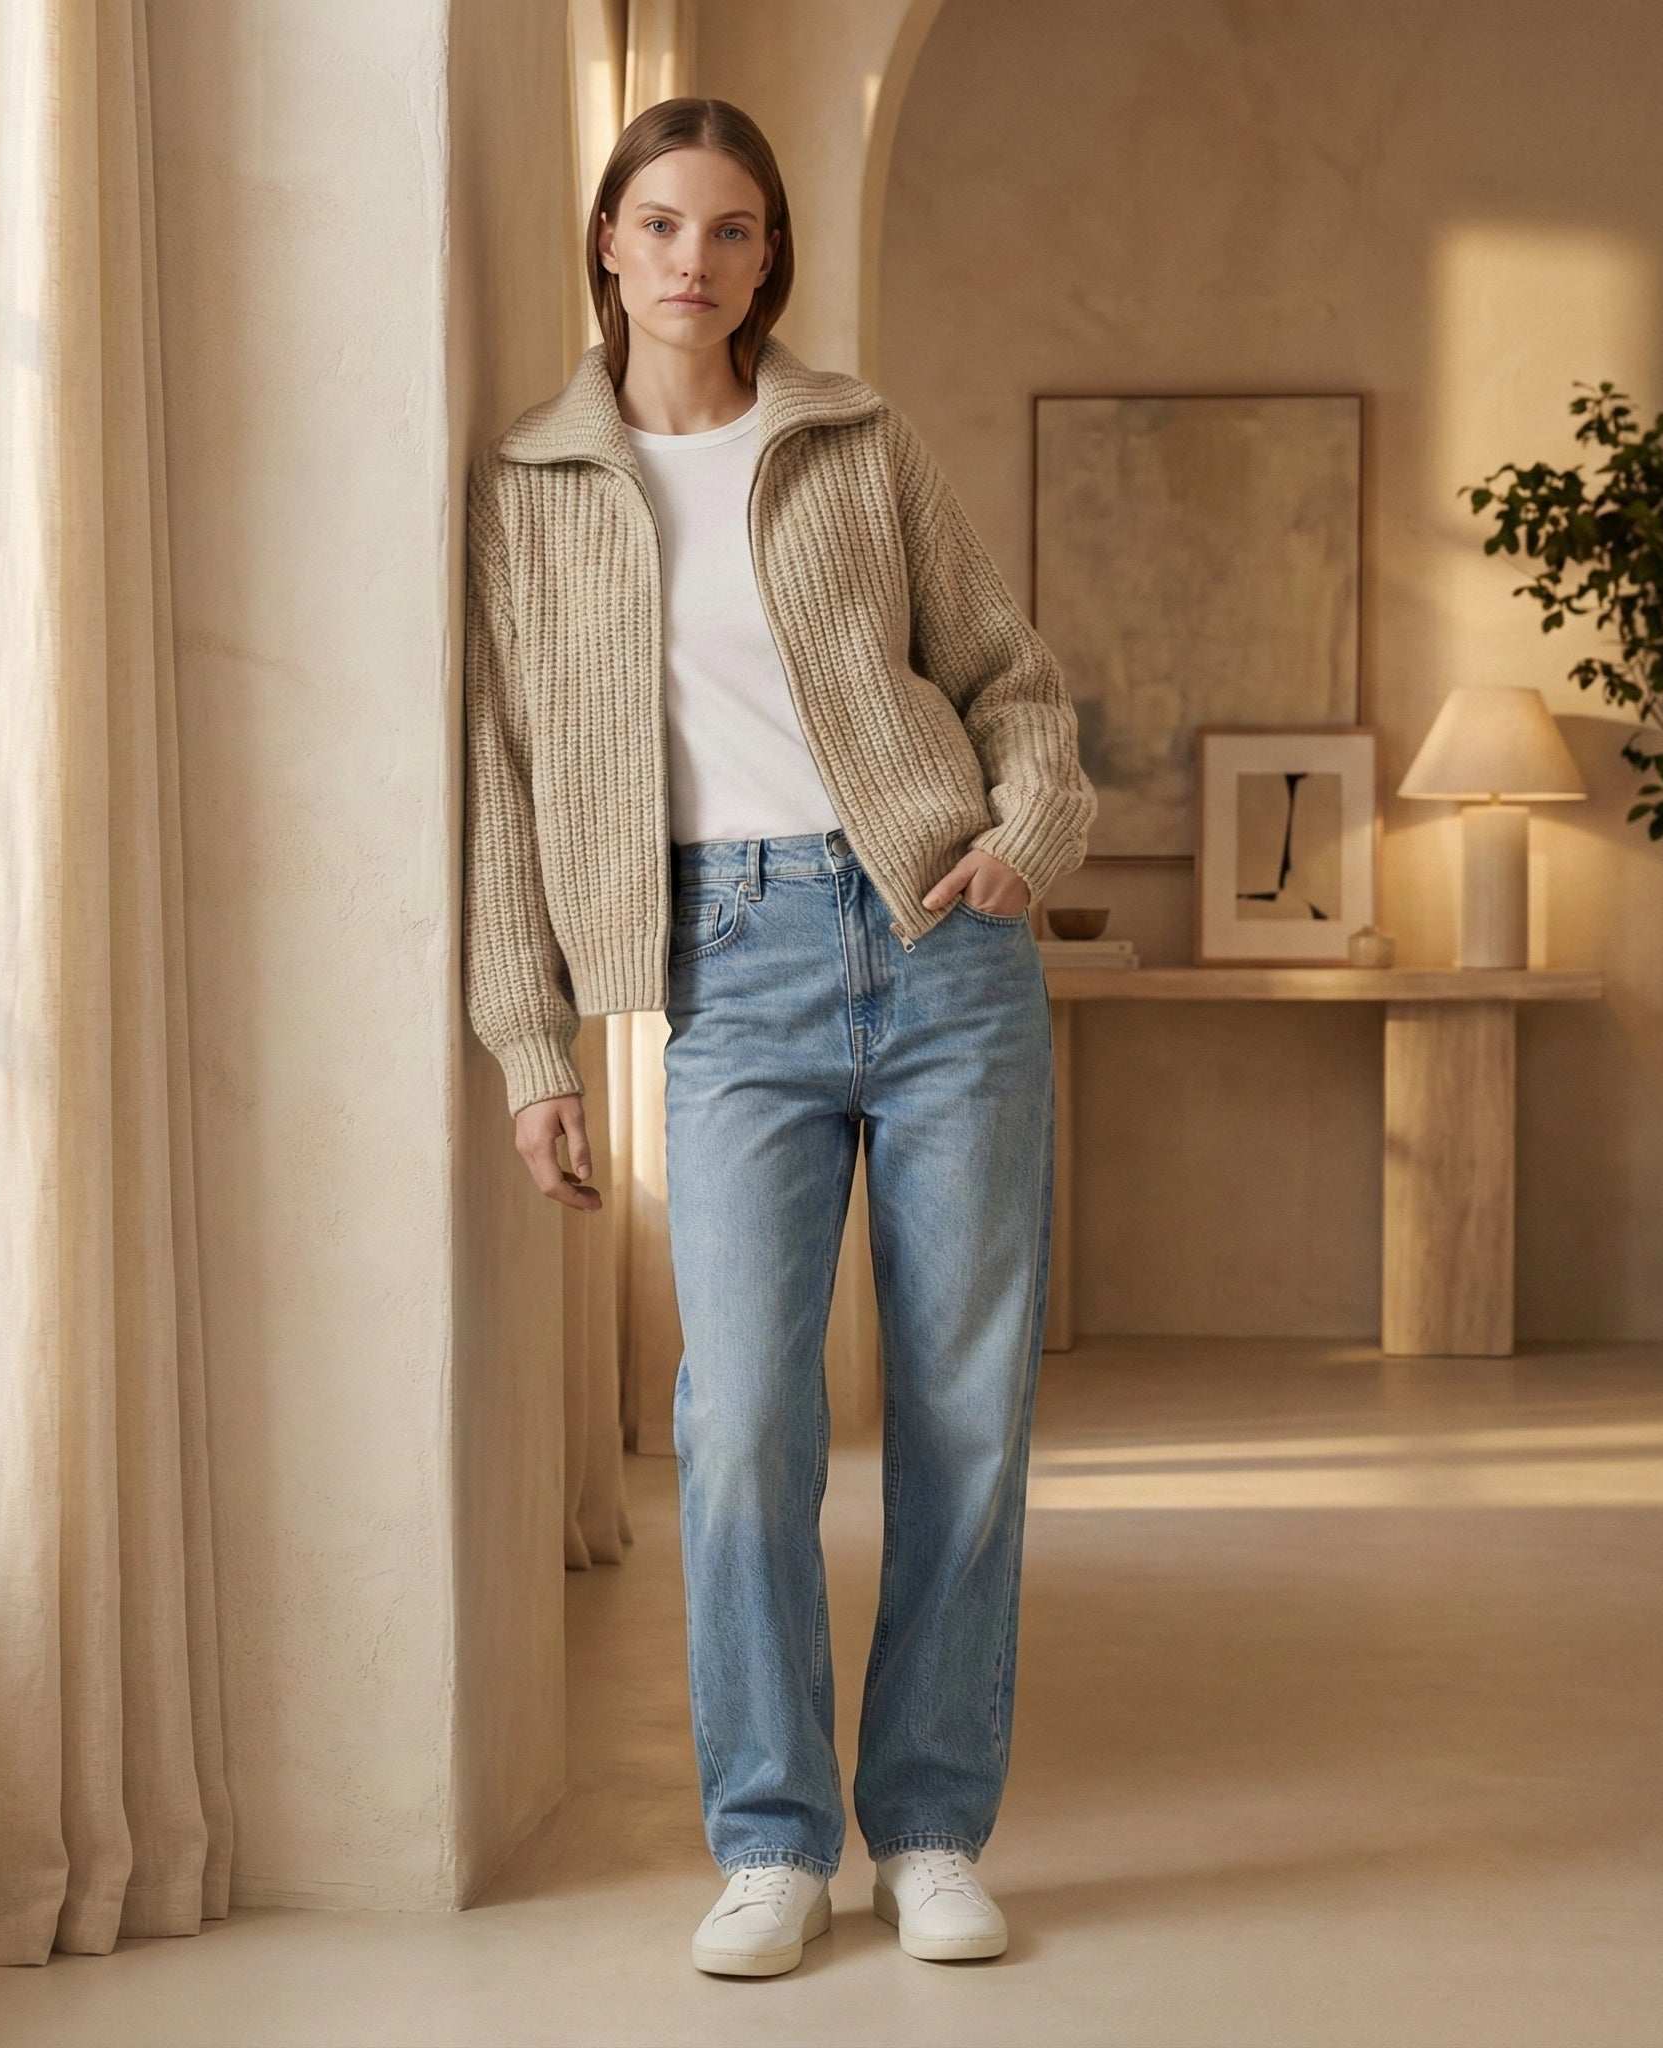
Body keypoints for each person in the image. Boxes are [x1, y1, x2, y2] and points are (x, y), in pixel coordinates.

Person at [463, 95, 1095, 1978]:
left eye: (730, 232)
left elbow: (1006, 669)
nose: (692, 261)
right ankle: (766, 1836)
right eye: (660, 222)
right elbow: (504, 788)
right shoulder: (534, 489)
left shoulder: (852, 440)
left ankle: (925, 1825)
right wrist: (536, 1047)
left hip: (936, 936)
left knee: (965, 1414)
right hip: (725, 963)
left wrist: (1025, 830)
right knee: (738, 1420)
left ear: (766, 259)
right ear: (604, 239)